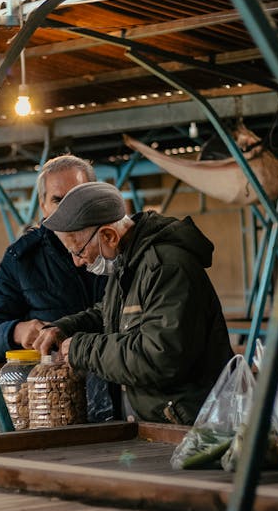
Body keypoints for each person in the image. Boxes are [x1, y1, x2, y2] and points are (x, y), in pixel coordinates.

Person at [34, 181, 234, 426]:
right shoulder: (130, 262)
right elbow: (111, 313)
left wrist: (81, 348)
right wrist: (65, 328)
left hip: (193, 426)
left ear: (108, 235)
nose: (78, 262)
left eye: (78, 252)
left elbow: (159, 356)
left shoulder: (166, 268)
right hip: (162, 422)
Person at [0, 154, 112, 421]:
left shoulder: (115, 247)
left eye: (77, 196)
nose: (68, 209)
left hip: (117, 393)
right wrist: (16, 331)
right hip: (54, 403)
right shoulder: (22, 259)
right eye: (58, 200)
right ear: (42, 205)